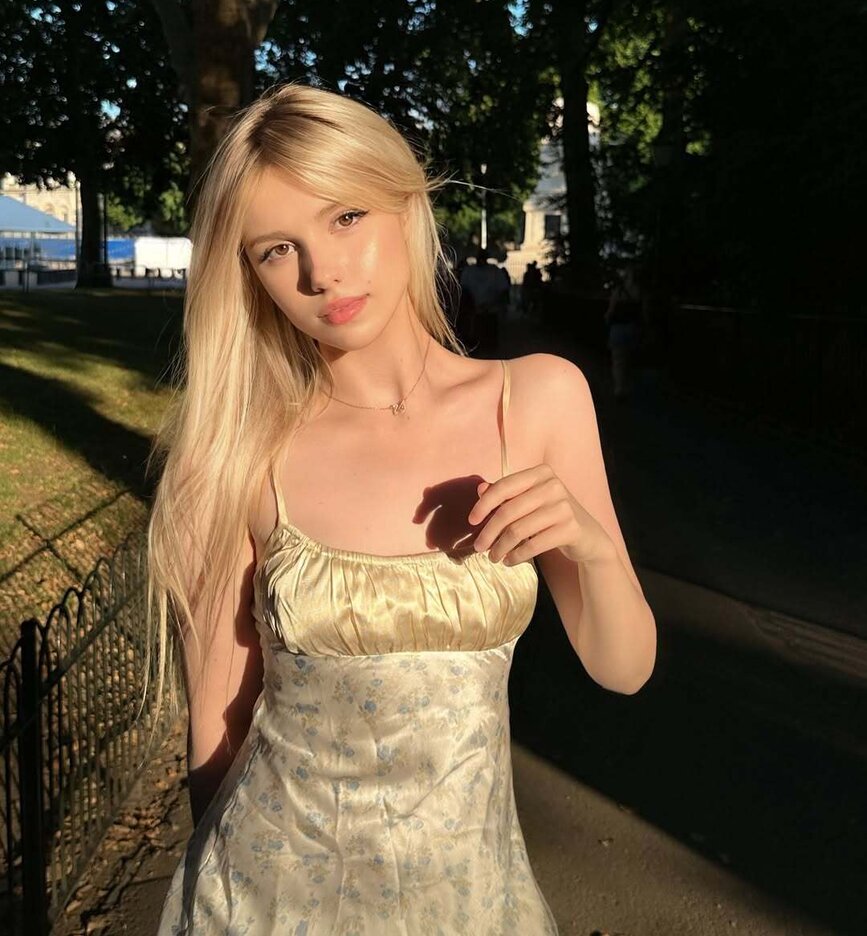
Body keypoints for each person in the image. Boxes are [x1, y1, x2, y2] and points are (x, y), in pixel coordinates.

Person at [144, 82, 655, 934]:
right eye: (277, 249)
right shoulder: (234, 449)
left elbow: (623, 669)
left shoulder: (537, 399)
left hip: (470, 901)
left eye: (346, 218)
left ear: (406, 204)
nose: (322, 273)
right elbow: (216, 723)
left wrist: (591, 548)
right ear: (250, 274)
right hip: (264, 902)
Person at [604, 263, 644, 400]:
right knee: (630, 360)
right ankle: (629, 388)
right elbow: (644, 312)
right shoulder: (639, 291)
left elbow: (610, 311)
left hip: (618, 329)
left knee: (618, 361)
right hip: (633, 328)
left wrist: (607, 320)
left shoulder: (618, 291)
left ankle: (619, 389)